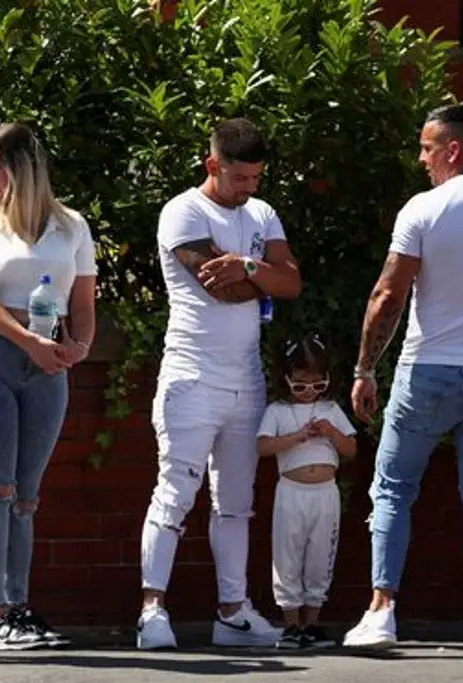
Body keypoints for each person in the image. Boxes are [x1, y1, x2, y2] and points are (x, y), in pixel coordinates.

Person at [343, 104, 463, 656]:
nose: (423, 159)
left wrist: (363, 369)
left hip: (426, 369)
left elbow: (388, 294)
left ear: (454, 150)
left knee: (393, 487)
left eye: (429, 149)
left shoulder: (425, 209)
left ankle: (381, 612)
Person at [137, 117, 302, 650]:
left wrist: (247, 265)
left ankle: (232, 613)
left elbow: (292, 281)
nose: (249, 189)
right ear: (213, 166)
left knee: (236, 502)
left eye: (256, 178)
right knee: (176, 492)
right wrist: (260, 277)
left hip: (246, 380)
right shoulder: (183, 211)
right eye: (239, 178)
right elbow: (221, 291)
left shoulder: (263, 213)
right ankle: (151, 611)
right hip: (191, 376)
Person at [0, 122, 98, 650]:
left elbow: (83, 308)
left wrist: (77, 348)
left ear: (26, 168)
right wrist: (28, 341)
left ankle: (18, 604)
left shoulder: (72, 227)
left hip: (49, 363)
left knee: (27, 494)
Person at [256, 335, 356, 649]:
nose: (309, 391)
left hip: (325, 493)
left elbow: (350, 448)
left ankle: (312, 623)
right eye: (300, 385)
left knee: (319, 555)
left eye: (317, 384)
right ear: (286, 380)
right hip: (291, 492)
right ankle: (291, 625)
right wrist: (297, 436)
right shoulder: (277, 411)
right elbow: (263, 446)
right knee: (287, 554)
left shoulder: (330, 409)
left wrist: (331, 432)